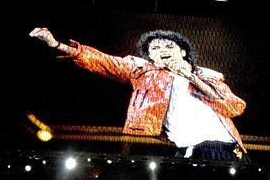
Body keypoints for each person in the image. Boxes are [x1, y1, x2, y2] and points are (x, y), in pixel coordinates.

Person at [29, 26, 247, 161]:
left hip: (229, 150)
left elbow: (234, 107)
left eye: (168, 46)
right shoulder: (143, 71)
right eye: (155, 48)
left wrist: (191, 77)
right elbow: (103, 62)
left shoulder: (209, 76)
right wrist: (57, 45)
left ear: (182, 51)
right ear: (150, 56)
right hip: (188, 150)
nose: (162, 50)